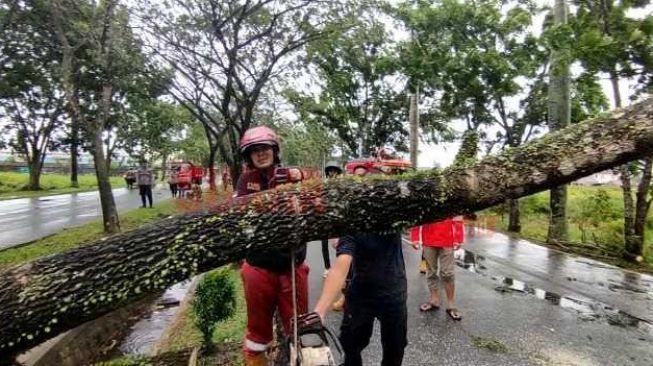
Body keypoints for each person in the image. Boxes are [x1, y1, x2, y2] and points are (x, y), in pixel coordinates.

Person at [313, 167, 415, 366]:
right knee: (349, 345)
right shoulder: (353, 221)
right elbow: (341, 265)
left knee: (395, 349)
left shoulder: (394, 216)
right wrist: (320, 310)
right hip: (362, 293)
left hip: (393, 293)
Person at [235, 126, 308, 366]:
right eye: (255, 151)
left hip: (292, 265)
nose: (261, 153)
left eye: (265, 148)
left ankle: (295, 359)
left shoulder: (291, 175)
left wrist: (300, 180)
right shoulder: (246, 180)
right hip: (259, 267)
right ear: (249, 156)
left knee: (299, 327)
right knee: (257, 331)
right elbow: (240, 215)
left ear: (274, 151)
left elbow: (312, 201)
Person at [411, 216, 464, 320]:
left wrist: (458, 238)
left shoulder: (450, 199)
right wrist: (415, 238)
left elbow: (458, 217)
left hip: (447, 241)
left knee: (447, 273)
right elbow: (418, 217)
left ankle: (451, 305)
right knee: (431, 272)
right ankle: (434, 301)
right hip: (428, 241)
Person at [321, 161, 343, 278]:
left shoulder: (341, 184)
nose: (332, 173)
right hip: (326, 217)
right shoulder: (324, 184)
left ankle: (341, 267)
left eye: (334, 171)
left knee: (341, 243)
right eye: (330, 171)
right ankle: (327, 267)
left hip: (338, 217)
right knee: (324, 243)